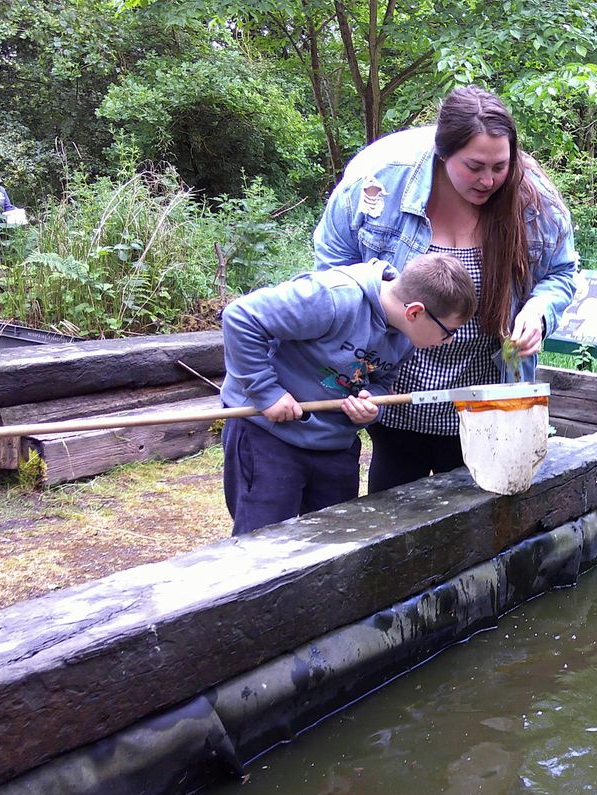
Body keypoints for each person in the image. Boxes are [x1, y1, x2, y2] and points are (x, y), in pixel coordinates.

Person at [313, 85, 577, 494]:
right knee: (394, 514)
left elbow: (561, 274)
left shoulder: (532, 201)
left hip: (483, 403)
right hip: (393, 394)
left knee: (473, 516)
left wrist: (538, 311)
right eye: (473, 166)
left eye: (500, 166)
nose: (488, 180)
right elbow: (332, 271)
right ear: (443, 151)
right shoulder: (379, 182)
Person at [220, 253, 476, 536]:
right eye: (448, 331)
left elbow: (383, 380)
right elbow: (241, 318)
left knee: (336, 542)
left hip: (334, 446)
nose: (450, 341)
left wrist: (372, 404)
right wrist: (267, 393)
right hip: (269, 438)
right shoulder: (333, 298)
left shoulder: (405, 336)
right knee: (262, 541)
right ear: (415, 312)